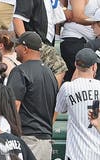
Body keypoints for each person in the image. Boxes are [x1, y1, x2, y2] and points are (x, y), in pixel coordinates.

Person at [7, 31, 58, 159]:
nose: (15, 49)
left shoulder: (20, 71)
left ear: (25, 48)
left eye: (17, 46)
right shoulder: (50, 73)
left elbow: (14, 105)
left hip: (27, 140)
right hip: (46, 141)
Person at [54, 48, 100, 160]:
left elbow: (61, 109)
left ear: (75, 64)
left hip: (75, 153)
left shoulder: (68, 87)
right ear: (94, 67)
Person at [13, 0, 67, 86]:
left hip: (46, 43)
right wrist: (26, 44)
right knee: (59, 67)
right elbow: (17, 19)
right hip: (34, 46)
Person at [60, 0, 99, 81]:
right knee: (81, 77)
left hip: (88, 42)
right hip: (74, 41)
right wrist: (96, 21)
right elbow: (77, 16)